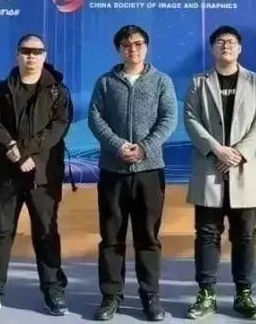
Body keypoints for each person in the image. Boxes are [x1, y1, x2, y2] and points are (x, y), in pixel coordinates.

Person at [0, 34, 73, 317]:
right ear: (17, 55)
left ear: (44, 55)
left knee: (46, 232)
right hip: (5, 175)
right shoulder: (1, 89)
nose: (31, 56)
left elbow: (58, 128)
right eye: (26, 51)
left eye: (37, 51)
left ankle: (53, 290)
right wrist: (14, 152)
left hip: (43, 174)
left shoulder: (57, 92)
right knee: (1, 232)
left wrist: (24, 151)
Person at [87, 24, 178, 321]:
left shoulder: (162, 81)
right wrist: (117, 146)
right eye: (126, 45)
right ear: (118, 50)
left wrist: (144, 148)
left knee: (147, 236)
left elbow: (168, 119)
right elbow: (95, 118)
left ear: (146, 47)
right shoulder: (105, 82)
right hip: (113, 170)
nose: (133, 49)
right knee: (111, 237)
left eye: (138, 44)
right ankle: (110, 296)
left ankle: (150, 296)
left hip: (149, 171)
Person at [182, 25, 256, 320]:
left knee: (245, 236)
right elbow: (191, 118)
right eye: (220, 41)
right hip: (209, 167)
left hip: (244, 169)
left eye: (231, 41)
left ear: (240, 48)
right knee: (207, 234)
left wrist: (239, 152)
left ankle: (244, 294)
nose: (226, 46)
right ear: (212, 48)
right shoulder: (198, 82)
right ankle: (206, 294)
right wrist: (216, 149)